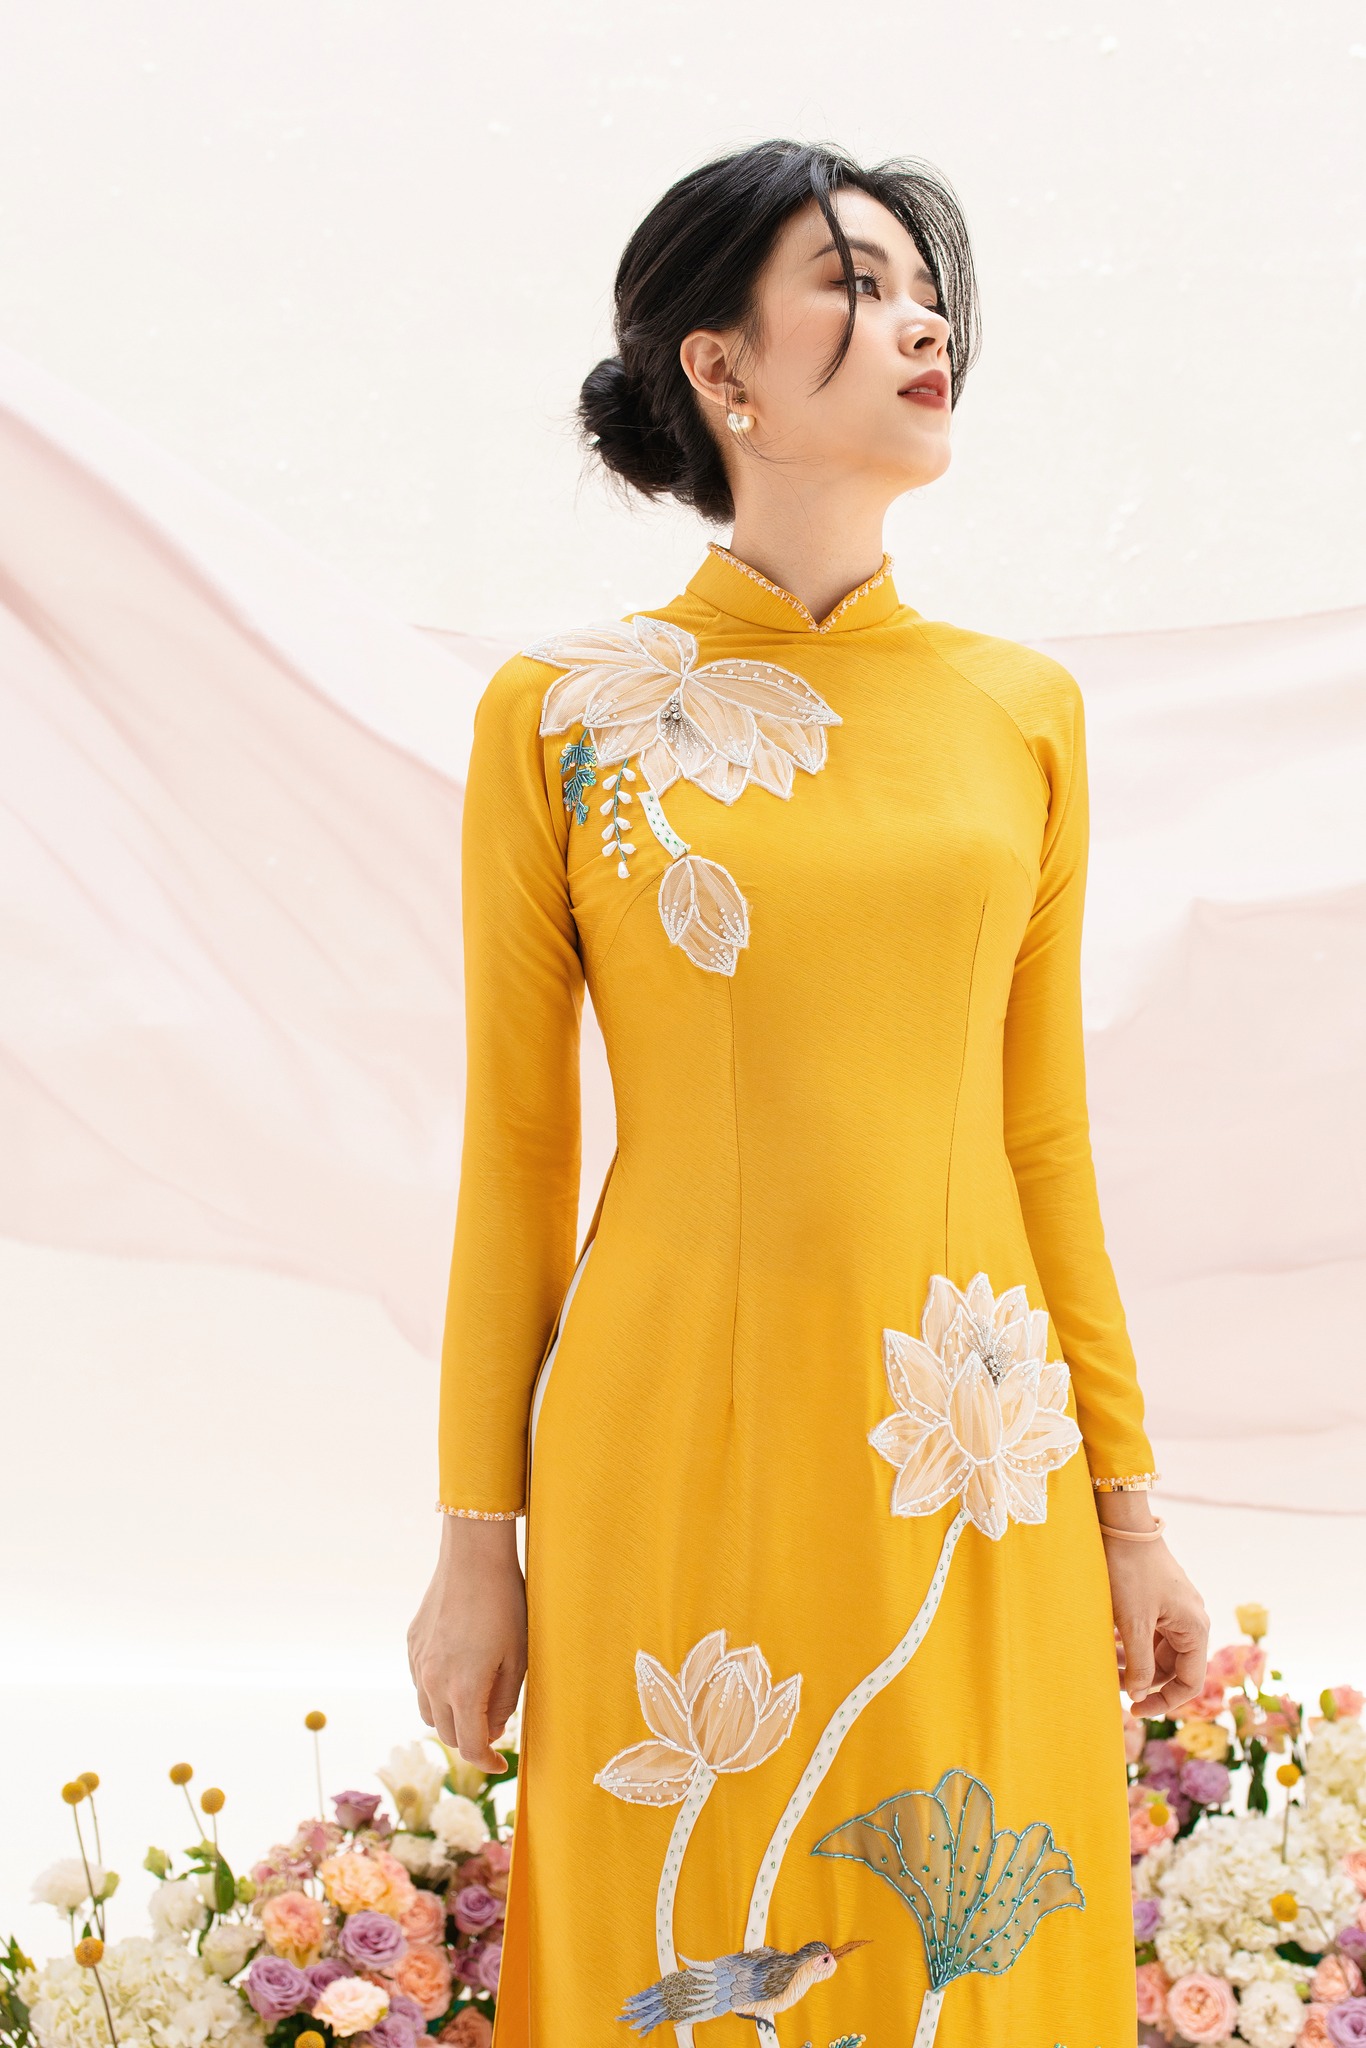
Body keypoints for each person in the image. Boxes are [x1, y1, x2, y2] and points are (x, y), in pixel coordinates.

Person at [407, 138, 1209, 2047]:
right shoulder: (563, 713)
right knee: (685, 1953)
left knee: (971, 1968)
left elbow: (1040, 1136)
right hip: (670, 1438)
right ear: (719, 369)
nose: (920, 323)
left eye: (927, 291)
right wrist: (472, 1540)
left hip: (969, 1441)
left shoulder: (1020, 710)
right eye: (853, 282)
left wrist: (1127, 1507)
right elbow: (516, 1150)